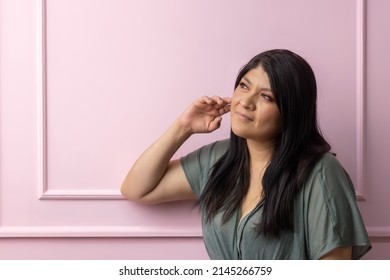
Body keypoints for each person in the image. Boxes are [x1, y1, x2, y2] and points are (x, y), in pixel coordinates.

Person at [121, 49, 371, 260]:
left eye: (266, 97)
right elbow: (137, 189)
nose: (245, 102)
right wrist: (183, 127)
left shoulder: (321, 172)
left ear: (291, 112)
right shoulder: (218, 158)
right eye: (243, 86)